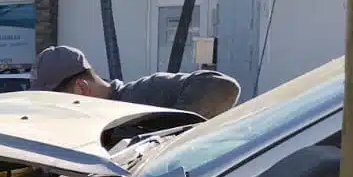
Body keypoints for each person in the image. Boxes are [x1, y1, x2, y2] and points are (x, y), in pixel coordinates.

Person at [30, 45, 241, 118]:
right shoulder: (91, 123)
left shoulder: (142, 94)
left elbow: (223, 87)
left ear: (80, 90)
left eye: (57, 102)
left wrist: (170, 141)